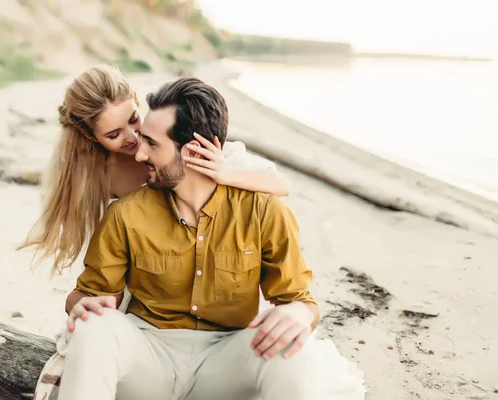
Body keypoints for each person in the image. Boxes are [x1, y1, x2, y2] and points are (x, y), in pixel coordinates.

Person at [53, 77, 365, 400]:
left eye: (152, 144)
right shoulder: (125, 215)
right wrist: (83, 306)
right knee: (93, 328)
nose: (139, 154)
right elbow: (86, 295)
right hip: (149, 358)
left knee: (291, 343)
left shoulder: (262, 210)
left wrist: (299, 313)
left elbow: (299, 298)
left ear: (192, 151)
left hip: (225, 361)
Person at [18, 64, 289, 276]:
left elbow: (280, 185)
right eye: (114, 134)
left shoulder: (173, 138)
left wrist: (225, 172)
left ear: (136, 100)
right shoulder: (100, 175)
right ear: (91, 137)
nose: (133, 138)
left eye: (133, 119)